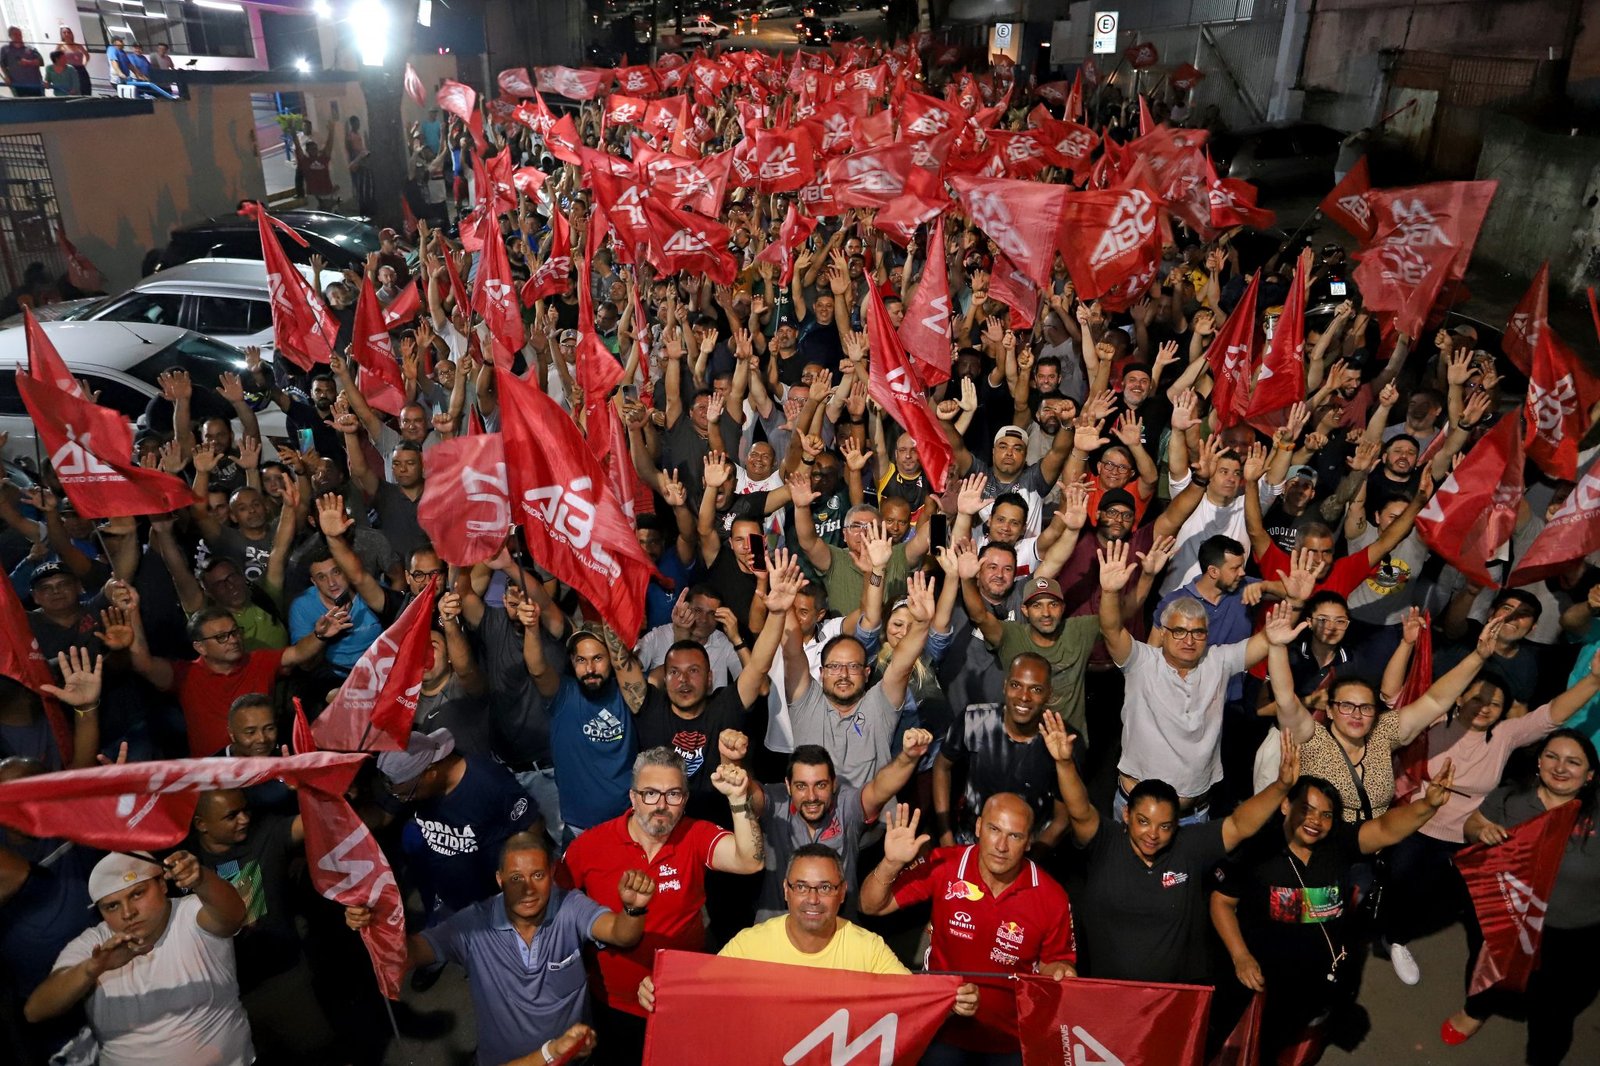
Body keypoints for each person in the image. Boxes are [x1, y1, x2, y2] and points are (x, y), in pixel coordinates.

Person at [346, 832, 655, 1066]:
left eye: (538, 875)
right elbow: (411, 953)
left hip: (576, 1059)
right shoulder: (471, 925)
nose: (528, 889)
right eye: (516, 878)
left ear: (551, 874)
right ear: (500, 880)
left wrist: (633, 910)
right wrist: (378, 923)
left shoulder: (570, 905)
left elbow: (620, 933)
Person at [1211, 767, 1457, 1058]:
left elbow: (1384, 829)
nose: (1315, 821)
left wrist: (1427, 806)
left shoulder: (1337, 843)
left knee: (1280, 1041)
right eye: (1307, 809)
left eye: (1325, 815)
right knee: (1225, 1038)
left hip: (1310, 976)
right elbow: (1221, 903)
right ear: (1286, 805)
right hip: (1257, 974)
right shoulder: (1257, 848)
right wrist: (1241, 957)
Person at [1050, 713, 1305, 984]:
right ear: (1126, 815)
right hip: (1108, 995)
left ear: (1176, 825)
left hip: (1171, 1000)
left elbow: (1239, 825)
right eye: (1143, 822)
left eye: (1164, 826)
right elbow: (1079, 811)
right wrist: (1065, 763)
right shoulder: (1106, 840)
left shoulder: (1187, 846)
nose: (1153, 835)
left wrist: (1281, 787)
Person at [561, 747, 764, 1066]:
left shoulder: (695, 834)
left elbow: (750, 861)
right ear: (632, 797)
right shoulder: (588, 847)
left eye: (673, 794)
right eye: (650, 793)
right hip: (612, 1004)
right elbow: (557, 916)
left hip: (683, 998)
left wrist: (738, 800)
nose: (661, 805)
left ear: (685, 799)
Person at [859, 795, 1076, 1064]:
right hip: (941, 1029)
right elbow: (871, 906)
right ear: (978, 827)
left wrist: (1060, 972)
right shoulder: (945, 865)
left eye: (1015, 836)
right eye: (994, 830)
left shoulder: (1051, 896)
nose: (1001, 846)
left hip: (1011, 1039)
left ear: (1029, 841)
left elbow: (1055, 963)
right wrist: (891, 863)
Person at [1441, 730, 1600, 1061]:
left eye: (1573, 762)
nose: (1560, 767)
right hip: (1506, 916)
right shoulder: (1511, 798)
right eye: (1552, 757)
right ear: (1539, 762)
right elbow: (1472, 825)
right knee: (1486, 969)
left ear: (1589, 775)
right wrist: (1479, 831)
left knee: (1555, 1008)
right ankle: (1476, 1011)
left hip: (1571, 934)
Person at [25, 850, 252, 1064]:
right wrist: (93, 968)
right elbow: (35, 1011)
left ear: (162, 884)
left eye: (137, 894)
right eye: (112, 906)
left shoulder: (191, 912)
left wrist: (201, 879)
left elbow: (234, 915)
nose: (128, 913)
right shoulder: (92, 944)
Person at [1, 27, 45, 98]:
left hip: (35, 84)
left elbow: (41, 62)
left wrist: (29, 62)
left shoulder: (30, 48)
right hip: (18, 85)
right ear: (10, 36)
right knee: (24, 105)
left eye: (20, 34)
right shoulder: (5, 49)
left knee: (40, 104)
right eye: (15, 34)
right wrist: (7, 77)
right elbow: (2, 64)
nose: (18, 36)